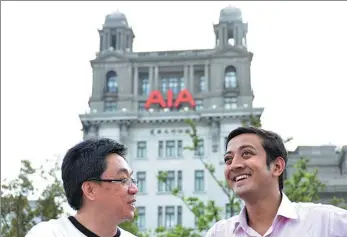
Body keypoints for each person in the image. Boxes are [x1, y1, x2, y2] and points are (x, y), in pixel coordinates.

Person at [206, 127, 347, 237]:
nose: (234, 165)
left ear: (277, 166)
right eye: (228, 159)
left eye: (246, 153)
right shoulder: (220, 233)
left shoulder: (325, 223)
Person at [26, 138, 138, 237]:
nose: (134, 189)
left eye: (131, 180)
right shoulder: (49, 234)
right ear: (90, 190)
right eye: (123, 180)